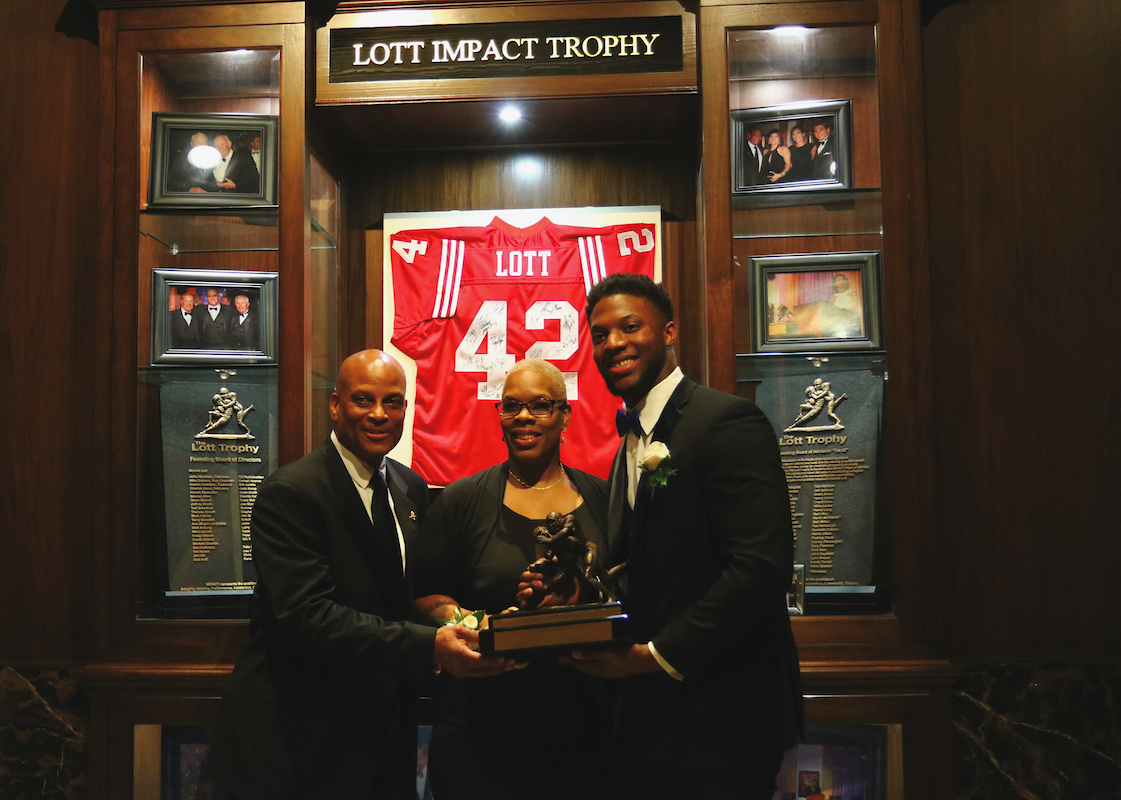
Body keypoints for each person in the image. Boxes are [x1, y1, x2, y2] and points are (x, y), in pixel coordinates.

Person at [523, 274, 802, 799]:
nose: (614, 343)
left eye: (630, 327)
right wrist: (580, 600)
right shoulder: (627, 446)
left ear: (669, 332)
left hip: (725, 721)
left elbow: (761, 568)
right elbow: (647, 569)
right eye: (600, 335)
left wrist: (652, 656)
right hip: (649, 721)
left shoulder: (726, 421)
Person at [208, 350, 512, 800]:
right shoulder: (291, 492)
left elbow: (408, 592)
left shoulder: (408, 487)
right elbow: (308, 617)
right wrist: (429, 645)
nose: (379, 414)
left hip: (384, 731)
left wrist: (469, 623)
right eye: (363, 399)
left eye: (393, 402)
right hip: (300, 736)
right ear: (335, 405)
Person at [411, 358, 611, 800]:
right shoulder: (461, 501)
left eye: (540, 405)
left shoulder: (604, 499)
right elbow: (423, 594)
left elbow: (627, 591)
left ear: (565, 415)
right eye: (511, 406)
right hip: (477, 731)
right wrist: (470, 622)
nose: (524, 416)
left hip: (584, 727)